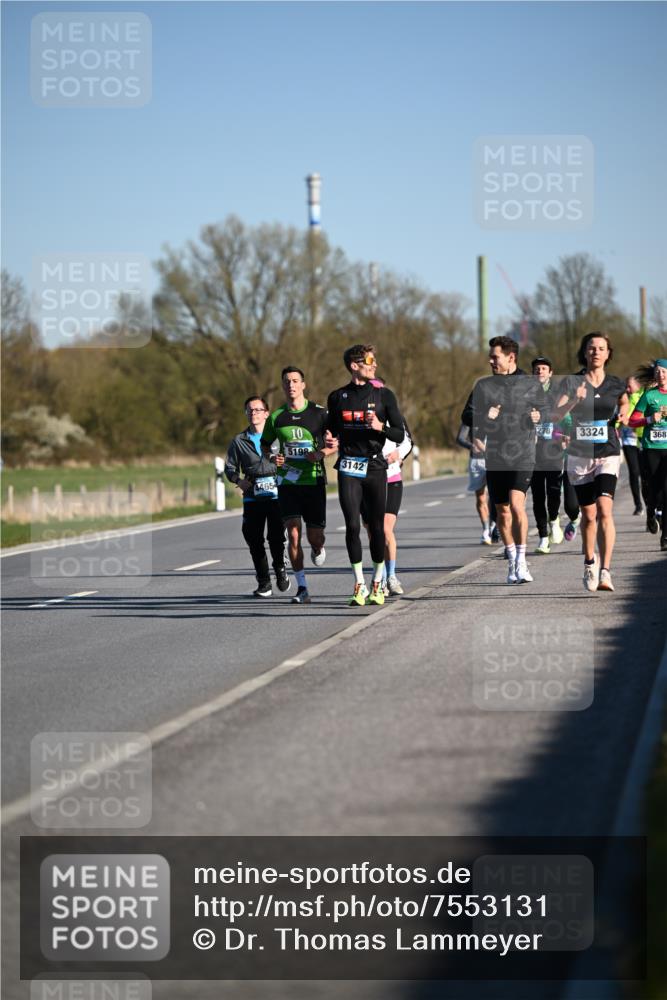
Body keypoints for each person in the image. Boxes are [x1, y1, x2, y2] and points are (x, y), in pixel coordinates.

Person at [326, 345, 405, 607]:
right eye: (370, 360)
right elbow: (331, 430)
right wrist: (329, 439)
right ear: (354, 365)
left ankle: (378, 582)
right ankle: (359, 584)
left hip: (375, 467)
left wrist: (381, 427)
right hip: (349, 466)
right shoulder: (337, 397)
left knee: (377, 527)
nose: (375, 365)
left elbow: (399, 434)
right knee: (352, 525)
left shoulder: (384, 395)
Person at [462, 336, 542, 584]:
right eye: (490, 357)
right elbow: (466, 415)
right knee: (502, 511)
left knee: (517, 506)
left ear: (511, 357)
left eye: (495, 357)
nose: (491, 361)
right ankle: (511, 559)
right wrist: (485, 414)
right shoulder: (484, 386)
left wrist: (539, 416)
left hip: (523, 453)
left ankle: (522, 560)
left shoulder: (530, 384)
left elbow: (546, 409)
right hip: (496, 455)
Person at [553, 332, 629, 592]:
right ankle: (589, 563)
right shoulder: (572, 382)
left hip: (608, 452)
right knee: (588, 514)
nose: (596, 352)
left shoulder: (616, 383)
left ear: (608, 354)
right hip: (579, 454)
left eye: (601, 348)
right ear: (584, 353)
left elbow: (624, 400)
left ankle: (606, 570)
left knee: (605, 510)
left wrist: (623, 414)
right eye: (591, 348)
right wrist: (575, 400)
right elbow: (555, 415)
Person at [261, 367, 337, 605]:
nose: (291, 385)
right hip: (287, 481)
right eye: (286, 381)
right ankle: (302, 588)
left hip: (313, 480)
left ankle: (318, 548)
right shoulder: (276, 417)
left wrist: (321, 453)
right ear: (283, 386)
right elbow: (265, 445)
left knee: (315, 537)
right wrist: (272, 457)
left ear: (303, 385)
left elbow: (335, 443)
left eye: (295, 381)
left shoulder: (320, 413)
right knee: (293, 534)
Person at [224, 397, 290, 597]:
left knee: (276, 537)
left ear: (266, 413)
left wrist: (284, 463)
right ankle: (264, 582)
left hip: (276, 495)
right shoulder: (239, 441)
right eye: (250, 410)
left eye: (258, 410)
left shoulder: (278, 437)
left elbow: (292, 461)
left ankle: (280, 568)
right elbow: (230, 468)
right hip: (252, 495)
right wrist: (238, 480)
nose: (253, 413)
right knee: (253, 538)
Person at [361, 377, 413, 595]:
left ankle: (390, 576)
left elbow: (407, 441)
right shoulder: (357, 415)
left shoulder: (393, 415)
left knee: (384, 529)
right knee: (372, 532)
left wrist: (397, 455)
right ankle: (379, 576)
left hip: (391, 477)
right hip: (364, 478)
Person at [628, 359, 667, 551]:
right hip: (651, 448)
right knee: (654, 489)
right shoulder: (649, 395)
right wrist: (650, 419)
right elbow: (632, 421)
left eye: (664, 371)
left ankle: (665, 537)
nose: (661, 375)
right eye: (658, 372)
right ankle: (651, 512)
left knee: (666, 491)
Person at [530, 357, 566, 554]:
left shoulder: (559, 392)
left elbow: (566, 416)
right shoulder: (526, 393)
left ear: (550, 373)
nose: (540, 371)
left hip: (554, 447)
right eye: (537, 369)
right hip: (532, 449)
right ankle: (543, 537)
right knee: (537, 495)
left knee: (553, 490)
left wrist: (565, 434)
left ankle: (554, 520)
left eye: (544, 368)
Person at [455, 422, 498, 545]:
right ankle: (485, 530)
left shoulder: (498, 415)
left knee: (495, 496)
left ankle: (493, 526)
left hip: (494, 459)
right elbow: (460, 438)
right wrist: (471, 446)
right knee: (480, 497)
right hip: (476, 461)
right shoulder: (470, 417)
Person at [620, 374, 645, 515]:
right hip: (628, 441)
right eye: (626, 386)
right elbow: (620, 417)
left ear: (638, 385)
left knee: (645, 473)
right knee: (634, 472)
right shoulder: (624, 399)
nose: (628, 389)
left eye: (630, 386)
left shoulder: (645, 397)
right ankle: (638, 505)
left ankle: (651, 504)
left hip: (642, 440)